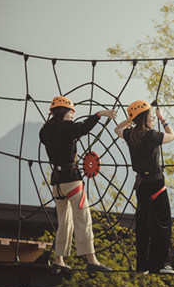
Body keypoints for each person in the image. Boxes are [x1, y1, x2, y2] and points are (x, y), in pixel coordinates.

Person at [39, 96, 116, 274]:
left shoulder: (44, 131)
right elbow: (84, 128)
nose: (73, 116)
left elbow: (59, 135)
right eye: (71, 113)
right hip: (72, 179)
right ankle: (92, 259)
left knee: (64, 222)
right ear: (65, 112)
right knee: (83, 220)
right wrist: (100, 114)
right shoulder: (67, 128)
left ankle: (59, 259)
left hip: (57, 183)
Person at [115, 100, 174, 274]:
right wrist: (162, 118)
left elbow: (117, 129)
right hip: (156, 183)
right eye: (151, 117)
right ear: (145, 118)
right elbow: (172, 136)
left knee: (143, 226)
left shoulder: (130, 134)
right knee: (162, 224)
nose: (154, 120)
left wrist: (130, 120)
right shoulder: (152, 136)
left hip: (141, 185)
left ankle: (142, 266)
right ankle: (160, 264)